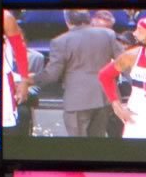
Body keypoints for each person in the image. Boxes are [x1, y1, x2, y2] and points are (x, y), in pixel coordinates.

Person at [40, 9, 124, 138]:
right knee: (97, 142)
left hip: (78, 100)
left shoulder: (60, 41)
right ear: (88, 19)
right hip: (105, 96)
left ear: (67, 21)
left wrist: (30, 80)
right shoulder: (108, 34)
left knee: (78, 147)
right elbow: (124, 62)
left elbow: (52, 74)